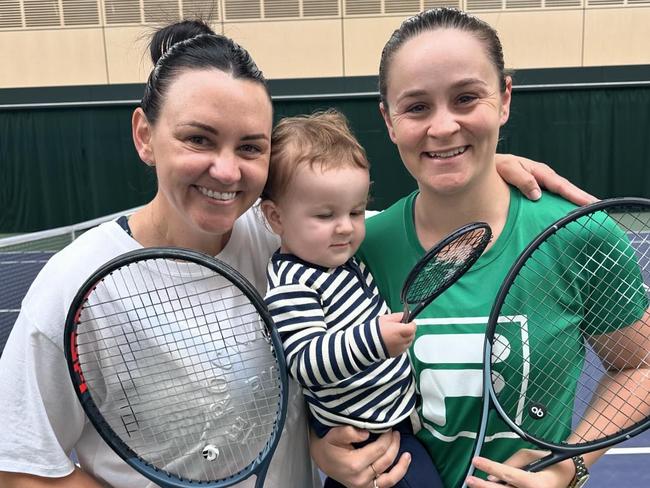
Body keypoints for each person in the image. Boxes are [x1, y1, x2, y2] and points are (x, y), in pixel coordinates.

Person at [0, 15, 595, 488]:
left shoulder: (279, 241)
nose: (227, 170)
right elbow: (20, 467)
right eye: (197, 139)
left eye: (250, 146)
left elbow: (363, 216)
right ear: (144, 135)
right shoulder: (74, 283)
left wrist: (484, 171)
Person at [312, 7, 649, 488]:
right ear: (387, 119)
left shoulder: (580, 236)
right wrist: (320, 447)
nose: (444, 126)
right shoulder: (356, 248)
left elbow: (639, 366)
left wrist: (566, 469)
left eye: (466, 98)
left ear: (505, 98)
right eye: (416, 107)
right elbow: (321, 370)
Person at [260, 110, 443, 488]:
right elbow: (306, 362)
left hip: (390, 422)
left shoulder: (341, 260)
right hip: (364, 437)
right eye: (325, 215)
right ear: (276, 217)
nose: (345, 226)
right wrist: (375, 340)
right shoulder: (292, 281)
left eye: (356, 211)